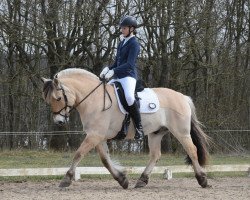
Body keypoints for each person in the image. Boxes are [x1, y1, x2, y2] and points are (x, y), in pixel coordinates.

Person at [100, 15, 144, 140]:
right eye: (121, 28)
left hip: (128, 76)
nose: (121, 30)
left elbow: (129, 64)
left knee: (130, 97)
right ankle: (118, 126)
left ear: (131, 29)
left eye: (124, 28)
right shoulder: (121, 43)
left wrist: (113, 71)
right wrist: (108, 68)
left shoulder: (134, 44)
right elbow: (117, 63)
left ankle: (139, 128)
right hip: (118, 75)